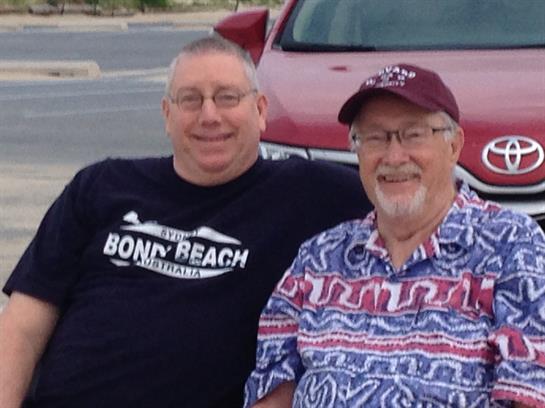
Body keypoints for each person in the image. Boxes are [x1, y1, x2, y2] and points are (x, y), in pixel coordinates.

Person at [0, 36, 372, 407]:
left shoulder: (309, 194)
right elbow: (22, 328)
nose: (209, 115)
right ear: (167, 114)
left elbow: (398, 197)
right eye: (190, 99)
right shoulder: (101, 186)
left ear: (260, 110)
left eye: (227, 97)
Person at [244, 64, 545, 407]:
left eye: (413, 134)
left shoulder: (511, 246)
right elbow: (273, 393)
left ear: (454, 145)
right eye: (375, 137)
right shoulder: (319, 258)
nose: (394, 156)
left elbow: (531, 394)